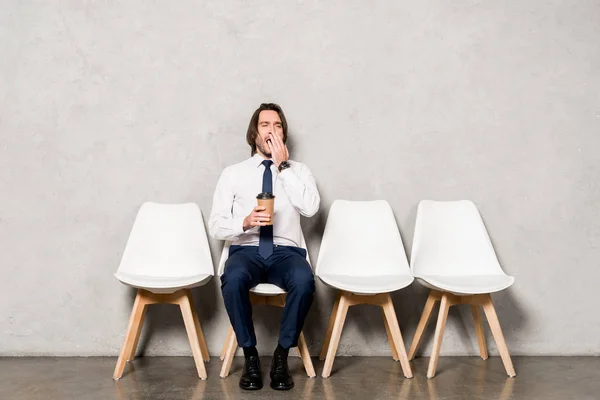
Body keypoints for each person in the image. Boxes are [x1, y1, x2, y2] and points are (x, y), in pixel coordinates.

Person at [209, 103, 320, 390]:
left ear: (284, 133)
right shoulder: (234, 173)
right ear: (254, 134)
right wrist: (244, 222)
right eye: (265, 125)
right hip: (246, 250)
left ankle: (282, 356)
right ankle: (250, 356)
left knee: (304, 279)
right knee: (231, 278)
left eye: (278, 125)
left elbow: (310, 209)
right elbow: (216, 225)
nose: (272, 131)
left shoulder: (299, 171)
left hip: (286, 251)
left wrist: (283, 167)